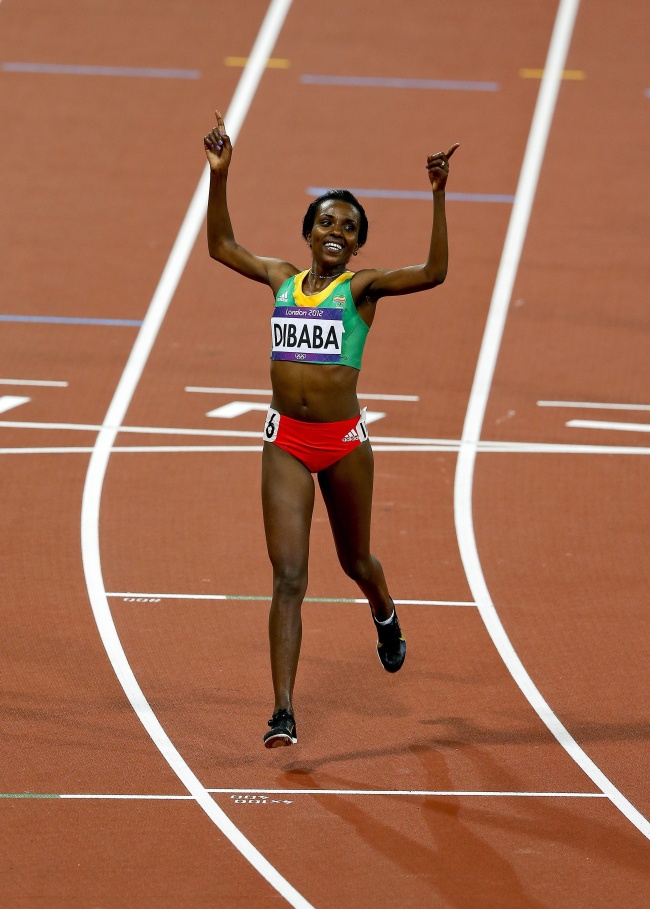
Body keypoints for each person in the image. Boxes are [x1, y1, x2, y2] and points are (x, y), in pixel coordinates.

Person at [204, 110, 458, 748]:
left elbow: (433, 274)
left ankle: (384, 611)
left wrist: (437, 196)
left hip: (343, 446)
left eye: (349, 226)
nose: (337, 231)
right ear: (309, 232)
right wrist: (220, 175)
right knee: (289, 576)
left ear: (358, 244)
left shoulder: (362, 289)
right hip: (285, 442)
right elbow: (221, 247)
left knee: (355, 560)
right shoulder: (281, 278)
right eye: (327, 222)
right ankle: (283, 712)